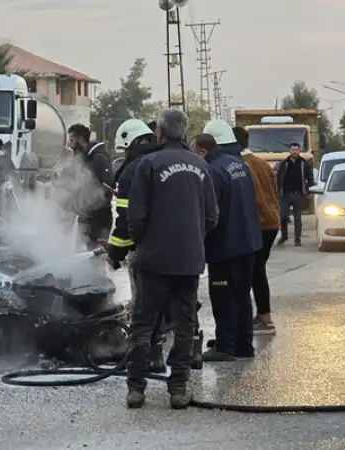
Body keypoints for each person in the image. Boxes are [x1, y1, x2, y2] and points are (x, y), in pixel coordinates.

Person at [125, 109, 218, 409]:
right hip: (188, 260)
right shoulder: (200, 165)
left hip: (154, 259)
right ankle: (178, 389)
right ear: (185, 133)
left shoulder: (148, 163)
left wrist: (142, 244)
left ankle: (136, 389)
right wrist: (193, 239)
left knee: (143, 325)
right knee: (184, 324)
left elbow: (136, 216)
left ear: (161, 133)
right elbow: (212, 216)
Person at [191, 133, 262, 362]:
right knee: (242, 294)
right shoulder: (238, 164)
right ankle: (243, 343)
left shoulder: (211, 172)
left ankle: (225, 345)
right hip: (248, 240)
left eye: (194, 153)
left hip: (225, 244)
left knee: (223, 296)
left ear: (202, 152)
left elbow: (211, 212)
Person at [107, 118, 167, 373]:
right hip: (181, 247)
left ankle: (145, 362)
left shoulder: (132, 170)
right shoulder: (171, 159)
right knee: (177, 306)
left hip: (147, 249)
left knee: (144, 306)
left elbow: (127, 219)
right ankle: (179, 363)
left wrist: (116, 251)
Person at [233, 126, 281, 334]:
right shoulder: (261, 163)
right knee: (257, 271)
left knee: (251, 272)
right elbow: (274, 192)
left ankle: (261, 319)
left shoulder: (239, 165)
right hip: (271, 222)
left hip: (256, 224)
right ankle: (263, 316)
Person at [67, 123, 115, 250]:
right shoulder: (83, 158)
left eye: (71, 140)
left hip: (99, 220)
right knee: (80, 256)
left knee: (95, 259)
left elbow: (109, 186)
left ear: (80, 139)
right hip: (85, 217)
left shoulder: (99, 158)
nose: (69, 144)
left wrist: (93, 203)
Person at [275, 143, 314, 246]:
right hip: (285, 194)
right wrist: (277, 191)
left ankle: (297, 239)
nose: (294, 152)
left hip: (299, 194)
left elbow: (310, 179)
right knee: (283, 216)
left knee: (297, 218)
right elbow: (278, 179)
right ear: (289, 150)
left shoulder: (304, 163)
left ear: (299, 150)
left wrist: (309, 192)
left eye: (296, 150)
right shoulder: (284, 163)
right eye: (293, 150)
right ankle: (284, 236)